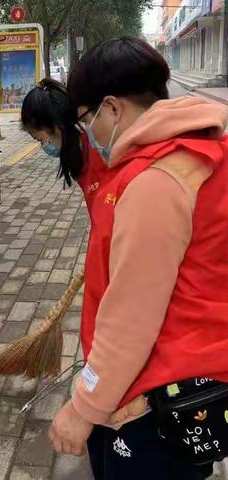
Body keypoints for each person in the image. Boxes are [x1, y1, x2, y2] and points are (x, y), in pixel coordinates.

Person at [45, 37, 228, 479]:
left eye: (86, 119)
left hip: (151, 396)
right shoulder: (207, 153)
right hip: (199, 381)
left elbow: (132, 318)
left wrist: (83, 406)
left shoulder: (156, 181)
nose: (88, 132)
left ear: (111, 108)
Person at [21, 78, 108, 214]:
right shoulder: (77, 157)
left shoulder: (98, 156)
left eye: (39, 139)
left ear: (56, 126)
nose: (43, 146)